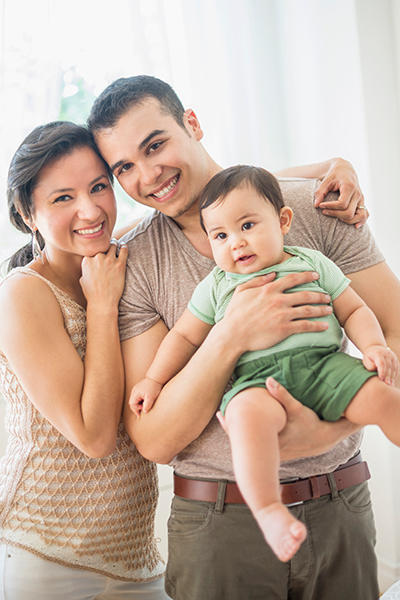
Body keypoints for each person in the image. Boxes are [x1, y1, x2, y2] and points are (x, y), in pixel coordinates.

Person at [87, 75, 400, 599]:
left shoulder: (316, 208)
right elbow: (154, 437)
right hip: (218, 527)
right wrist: (231, 334)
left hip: (340, 503)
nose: (147, 175)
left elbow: (391, 325)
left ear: (192, 123)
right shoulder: (136, 263)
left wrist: (329, 429)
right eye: (124, 168)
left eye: (156, 144)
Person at [129, 164, 400, 563]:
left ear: (283, 220)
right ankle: (269, 510)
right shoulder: (217, 285)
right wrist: (153, 379)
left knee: (383, 397)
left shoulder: (310, 261)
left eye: (248, 225)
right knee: (244, 420)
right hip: (256, 383)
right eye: (221, 235)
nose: (236, 243)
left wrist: (374, 347)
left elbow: (354, 309)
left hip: (322, 366)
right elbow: (184, 337)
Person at [0, 121, 167, 599]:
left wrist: (328, 168)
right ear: (27, 213)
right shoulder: (23, 294)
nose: (90, 210)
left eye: (99, 187)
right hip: (44, 555)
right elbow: (93, 436)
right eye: (62, 198)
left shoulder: (114, 258)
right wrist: (101, 306)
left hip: (135, 556)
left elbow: (209, 198)